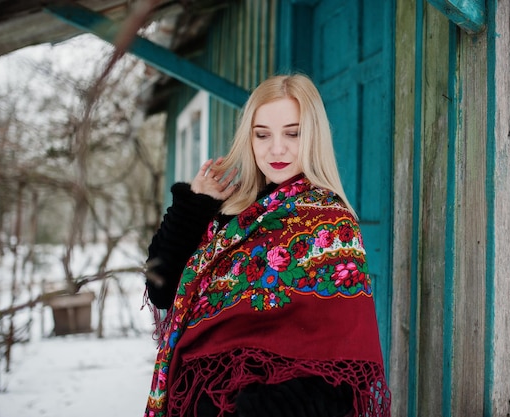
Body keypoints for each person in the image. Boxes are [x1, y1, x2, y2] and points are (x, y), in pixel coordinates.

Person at [144, 74, 390, 417]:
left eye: (292, 133)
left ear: (312, 137)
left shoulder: (331, 224)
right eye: (262, 134)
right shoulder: (229, 215)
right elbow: (161, 289)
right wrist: (194, 204)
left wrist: (246, 405)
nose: (276, 148)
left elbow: (338, 372)